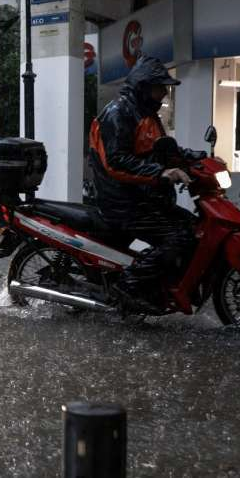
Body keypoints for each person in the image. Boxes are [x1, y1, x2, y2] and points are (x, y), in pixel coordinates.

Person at [88, 55, 207, 312]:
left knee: (192, 226)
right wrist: (161, 173)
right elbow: (117, 162)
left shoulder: (146, 114)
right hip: (122, 202)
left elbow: (162, 150)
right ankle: (129, 286)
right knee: (178, 236)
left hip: (144, 198)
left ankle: (170, 284)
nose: (164, 92)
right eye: (159, 86)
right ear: (143, 87)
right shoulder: (118, 113)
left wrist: (198, 159)